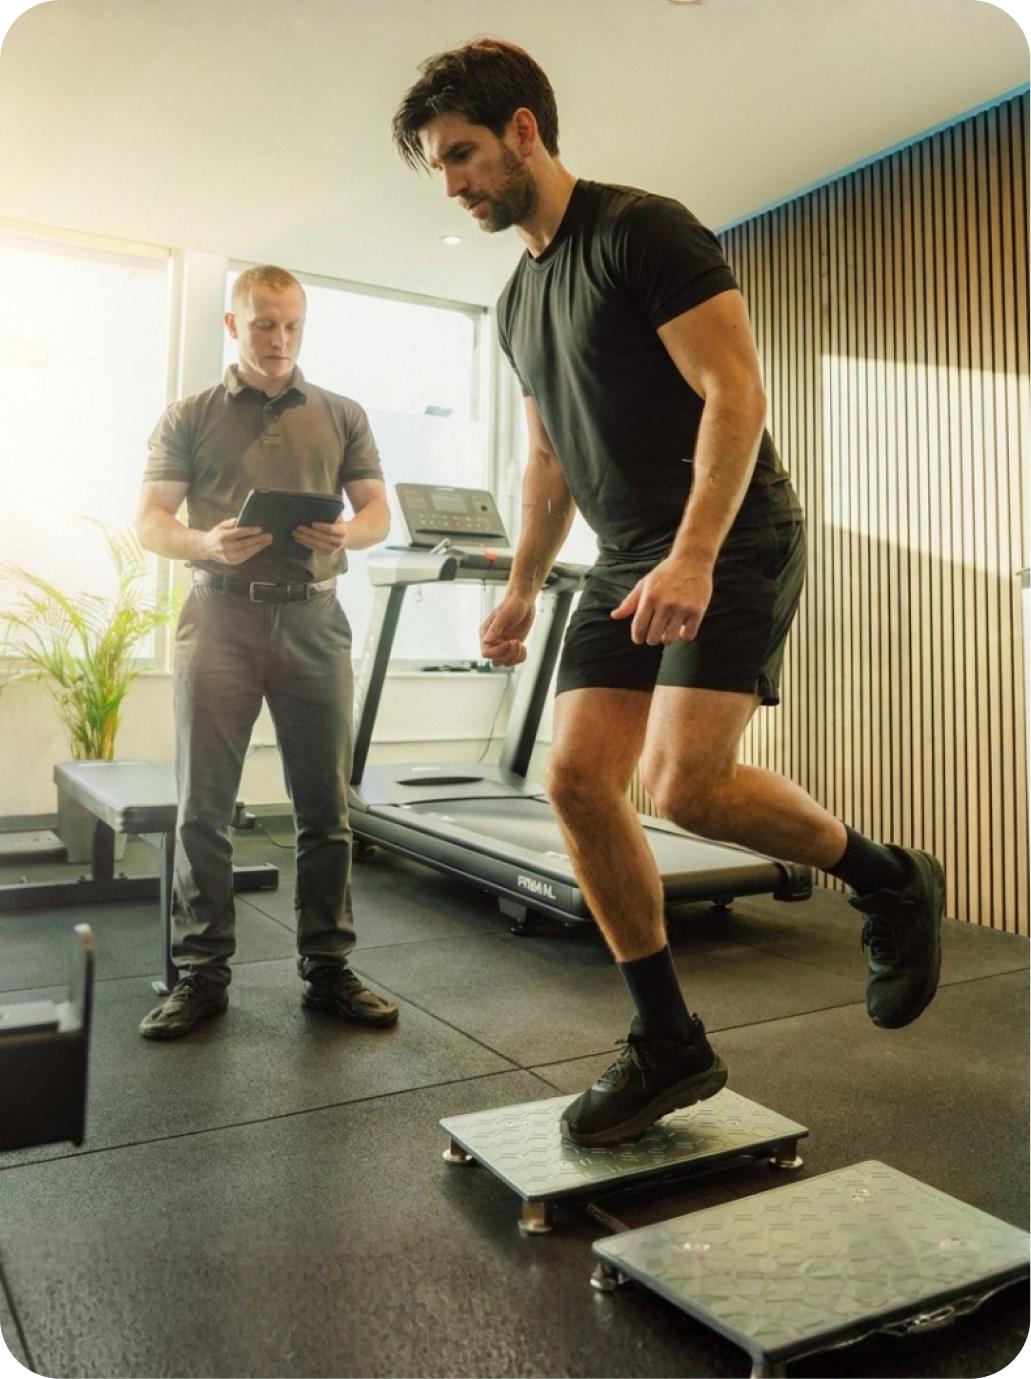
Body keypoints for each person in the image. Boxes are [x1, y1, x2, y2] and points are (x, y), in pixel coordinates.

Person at [391, 40, 944, 1146]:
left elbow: (732, 389)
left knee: (683, 785)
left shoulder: (641, 228)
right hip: (621, 553)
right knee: (578, 781)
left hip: (728, 532)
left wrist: (692, 554)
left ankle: (888, 881)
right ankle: (668, 1043)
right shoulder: (513, 305)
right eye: (438, 166)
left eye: (460, 154)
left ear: (524, 131)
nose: (451, 183)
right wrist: (522, 586)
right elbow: (546, 460)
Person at [135, 264, 399, 1040]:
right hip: (218, 621)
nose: (279, 340)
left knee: (327, 808)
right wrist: (203, 540)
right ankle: (201, 974)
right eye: (262, 325)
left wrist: (352, 532)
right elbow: (150, 521)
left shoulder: (342, 413)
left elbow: (378, 507)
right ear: (232, 325)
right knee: (204, 810)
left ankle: (327, 967)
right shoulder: (188, 414)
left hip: (315, 621)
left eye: (291, 325)